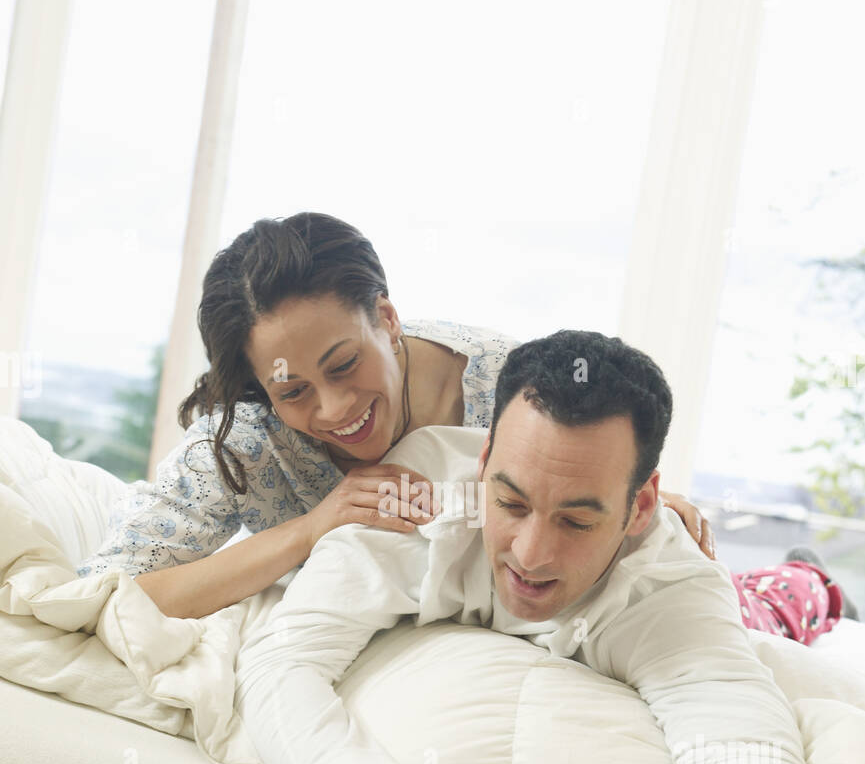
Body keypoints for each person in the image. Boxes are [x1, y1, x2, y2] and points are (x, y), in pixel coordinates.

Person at [234, 330, 854, 764]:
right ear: (482, 461)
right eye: (511, 504)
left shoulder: (673, 594)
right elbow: (277, 659)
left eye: (577, 521)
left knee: (775, 607)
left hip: (746, 604)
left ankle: (808, 578)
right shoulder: (413, 496)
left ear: (640, 505)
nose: (530, 554)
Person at [75, 212, 716, 609]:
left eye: (344, 363)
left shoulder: (513, 388)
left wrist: (636, 504)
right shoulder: (250, 438)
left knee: (764, 600)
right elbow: (112, 593)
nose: (334, 409)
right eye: (293, 390)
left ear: (386, 319)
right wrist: (311, 529)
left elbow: (588, 482)